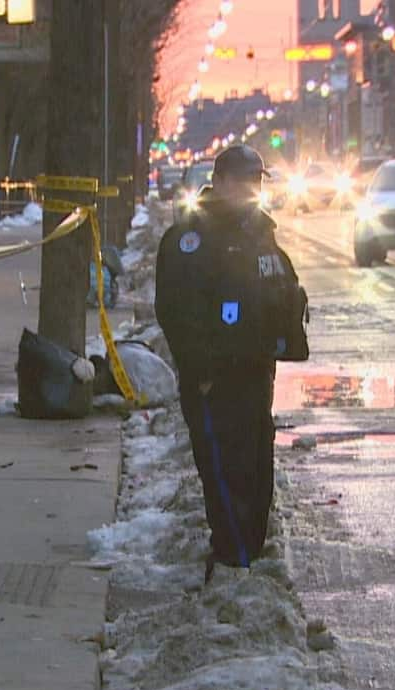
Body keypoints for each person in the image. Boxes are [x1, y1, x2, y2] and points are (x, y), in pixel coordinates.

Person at [155, 144, 307, 582]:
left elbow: (280, 288)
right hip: (215, 377)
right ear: (218, 182)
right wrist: (201, 372)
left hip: (255, 370)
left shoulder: (259, 231)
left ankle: (249, 558)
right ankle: (231, 561)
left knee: (257, 469)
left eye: (255, 181)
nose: (249, 189)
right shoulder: (192, 238)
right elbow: (178, 311)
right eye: (240, 180)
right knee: (225, 469)